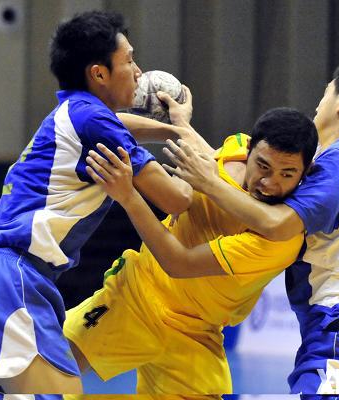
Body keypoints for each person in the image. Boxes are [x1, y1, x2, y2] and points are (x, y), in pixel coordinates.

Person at [0, 11, 193, 396]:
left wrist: (170, 128)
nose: (139, 72)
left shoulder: (75, 112)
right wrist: (188, 134)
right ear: (99, 73)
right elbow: (177, 199)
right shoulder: (93, 121)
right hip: (17, 280)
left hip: (3, 276)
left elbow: (121, 124)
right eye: (129, 61)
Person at [164, 59, 339, 396]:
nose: (318, 103)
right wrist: (182, 127)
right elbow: (240, 178)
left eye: (326, 92)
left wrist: (209, 185)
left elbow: (276, 224)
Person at [63, 108, 317, 398]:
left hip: (195, 334)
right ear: (249, 150)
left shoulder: (280, 239)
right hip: (137, 295)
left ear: (305, 172)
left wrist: (129, 197)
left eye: (287, 174)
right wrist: (180, 123)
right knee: (47, 368)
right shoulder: (235, 147)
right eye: (263, 166)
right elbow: (202, 153)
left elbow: (178, 263)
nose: (270, 183)